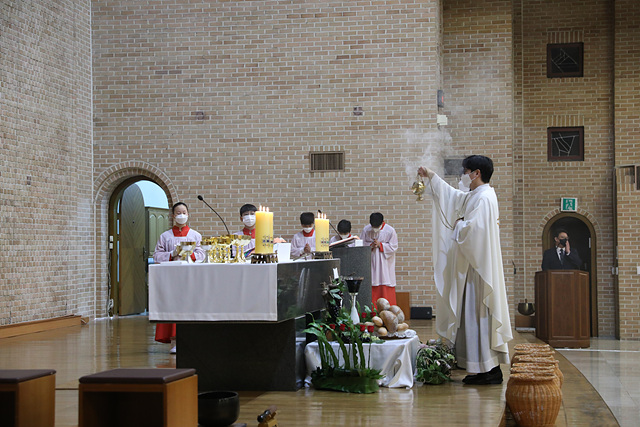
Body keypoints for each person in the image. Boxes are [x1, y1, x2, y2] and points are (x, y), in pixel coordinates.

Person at [418, 155, 512, 385]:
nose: (463, 175)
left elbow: (474, 231)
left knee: (477, 318)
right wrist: (432, 176)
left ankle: (489, 370)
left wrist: (459, 224)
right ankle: (480, 367)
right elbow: (454, 197)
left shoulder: (485, 198)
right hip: (473, 266)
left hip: (478, 271)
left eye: (466, 171)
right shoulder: (476, 195)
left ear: (476, 173)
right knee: (471, 319)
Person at [152, 202, 205, 353]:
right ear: (173, 216)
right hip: (172, 277)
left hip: (190, 276)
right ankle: (174, 341)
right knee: (173, 306)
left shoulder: (195, 235)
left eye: (184, 212)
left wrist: (190, 254)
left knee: (190, 305)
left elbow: (202, 254)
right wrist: (172, 254)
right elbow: (156, 256)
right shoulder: (165, 236)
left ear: (188, 215)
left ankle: (191, 339)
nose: (181, 215)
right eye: (178, 213)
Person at [360, 212, 398, 306]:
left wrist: (381, 245)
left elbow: (394, 247)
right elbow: (361, 245)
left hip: (385, 264)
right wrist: (371, 245)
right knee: (372, 283)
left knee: (385, 286)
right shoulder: (366, 230)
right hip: (372, 262)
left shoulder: (390, 230)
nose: (375, 229)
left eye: (377, 226)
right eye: (373, 226)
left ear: (382, 222)